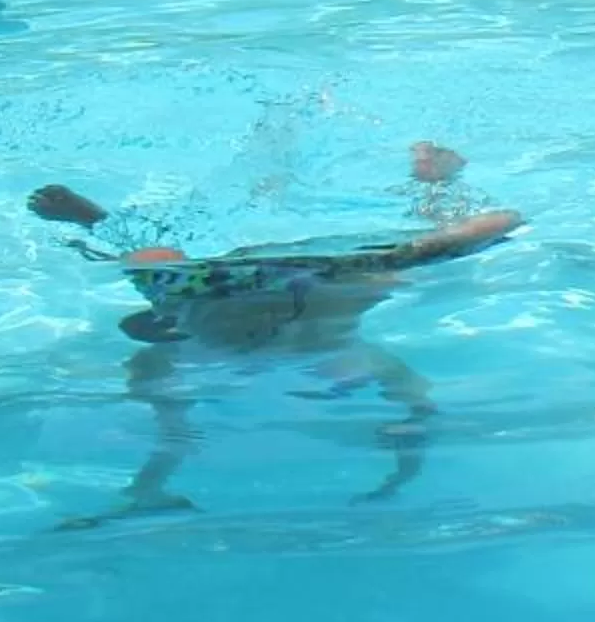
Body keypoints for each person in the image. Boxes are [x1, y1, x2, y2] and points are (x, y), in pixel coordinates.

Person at [29, 143, 520, 509]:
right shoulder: (183, 329)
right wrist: (400, 468)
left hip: (264, 285)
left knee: (452, 247)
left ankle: (438, 183)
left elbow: (170, 434)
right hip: (302, 281)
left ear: (154, 327)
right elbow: (414, 401)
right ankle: (438, 183)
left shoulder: (176, 327)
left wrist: (402, 467)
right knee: (451, 248)